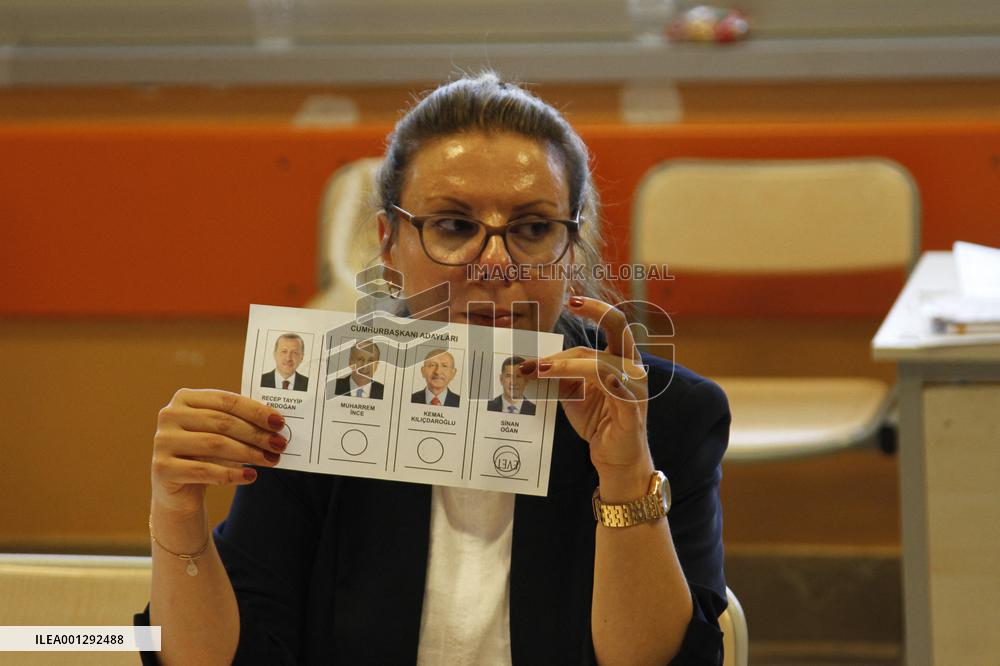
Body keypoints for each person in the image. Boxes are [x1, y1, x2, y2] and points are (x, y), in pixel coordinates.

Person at [140, 72, 729, 665]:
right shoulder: (322, 398)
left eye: (531, 228)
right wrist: (178, 511)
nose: (495, 264)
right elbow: (227, 656)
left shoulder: (666, 415)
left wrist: (625, 474)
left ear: (570, 251)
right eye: (453, 226)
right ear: (389, 244)